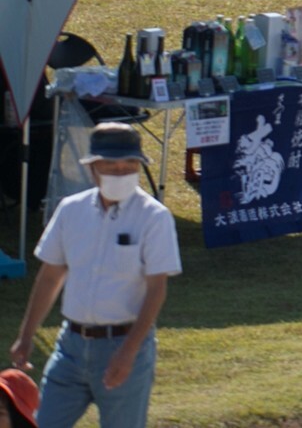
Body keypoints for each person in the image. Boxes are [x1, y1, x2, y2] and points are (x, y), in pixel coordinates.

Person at [9, 122, 177, 428]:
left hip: (125, 345)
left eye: (129, 165)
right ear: (92, 168)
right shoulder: (71, 210)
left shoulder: (154, 217)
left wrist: (127, 354)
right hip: (70, 347)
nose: (120, 172)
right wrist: (26, 335)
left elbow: (156, 291)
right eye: (111, 166)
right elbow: (50, 276)